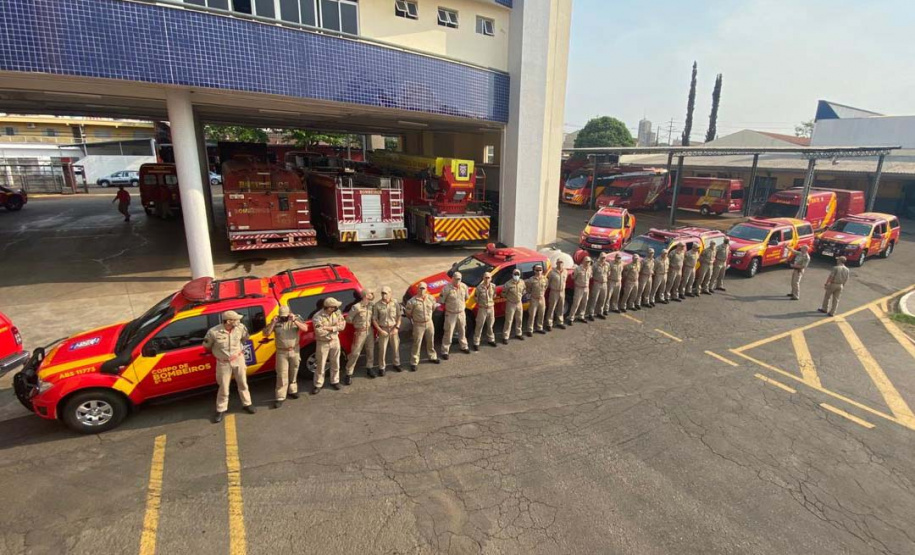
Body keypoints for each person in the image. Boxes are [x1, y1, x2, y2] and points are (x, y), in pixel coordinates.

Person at [203, 310, 255, 423]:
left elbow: (245, 338)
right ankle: (221, 409)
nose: (238, 321)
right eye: (236, 319)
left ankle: (247, 404)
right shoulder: (213, 332)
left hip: (238, 359)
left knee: (243, 383)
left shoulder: (240, 328)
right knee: (224, 387)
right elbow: (207, 346)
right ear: (228, 321)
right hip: (223, 363)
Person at [263, 305, 308, 409]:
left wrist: (294, 320)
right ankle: (280, 396)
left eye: (285, 316)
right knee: (282, 374)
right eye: (282, 316)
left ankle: (293, 390)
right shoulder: (276, 321)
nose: (283, 318)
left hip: (294, 350)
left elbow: (305, 328)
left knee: (294, 370)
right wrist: (273, 323)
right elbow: (266, 333)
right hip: (281, 352)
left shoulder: (296, 319)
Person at [312, 297, 346, 394]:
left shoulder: (337, 313)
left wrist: (329, 328)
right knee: (320, 364)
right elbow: (319, 332)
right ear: (329, 307)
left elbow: (342, 326)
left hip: (335, 340)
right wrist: (335, 328)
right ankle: (318, 384)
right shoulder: (317, 316)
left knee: (335, 362)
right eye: (334, 307)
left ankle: (335, 381)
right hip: (323, 342)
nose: (336, 308)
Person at [405, 282, 439, 371]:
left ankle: (432, 356)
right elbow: (408, 314)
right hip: (418, 324)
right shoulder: (412, 301)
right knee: (417, 343)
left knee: (430, 340)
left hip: (429, 322)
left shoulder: (431, 298)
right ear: (417, 289)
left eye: (424, 288)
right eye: (420, 288)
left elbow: (433, 308)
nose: (422, 290)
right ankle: (414, 361)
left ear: (426, 289)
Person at [344, 289, 375, 384]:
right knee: (355, 352)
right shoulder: (356, 307)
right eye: (370, 293)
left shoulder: (371, 305)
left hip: (369, 331)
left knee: (370, 350)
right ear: (365, 295)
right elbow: (348, 319)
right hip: (360, 332)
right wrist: (357, 324)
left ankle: (369, 367)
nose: (372, 295)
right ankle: (348, 373)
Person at [372, 286, 402, 376]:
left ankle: (396, 364)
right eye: (382, 293)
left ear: (390, 293)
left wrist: (397, 327)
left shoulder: (395, 303)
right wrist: (380, 330)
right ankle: (382, 367)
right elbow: (374, 319)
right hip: (383, 329)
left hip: (393, 328)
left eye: (385, 293)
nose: (383, 295)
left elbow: (399, 316)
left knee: (396, 347)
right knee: (382, 349)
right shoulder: (377, 305)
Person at [439, 273, 470, 359]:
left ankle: (464, 346)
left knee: (462, 330)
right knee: (448, 332)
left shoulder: (464, 287)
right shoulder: (446, 289)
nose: (457, 281)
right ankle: (445, 351)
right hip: (451, 314)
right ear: (452, 278)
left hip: (461, 313)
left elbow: (466, 297)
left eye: (459, 279)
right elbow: (442, 301)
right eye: (456, 279)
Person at [472, 273, 497, 349]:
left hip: (491, 308)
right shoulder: (479, 288)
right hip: (482, 309)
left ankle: (491, 340)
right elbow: (476, 298)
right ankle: (476, 342)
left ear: (491, 278)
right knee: (479, 326)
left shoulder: (493, 286)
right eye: (485, 277)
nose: (487, 279)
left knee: (490, 325)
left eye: (488, 278)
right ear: (483, 278)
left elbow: (494, 296)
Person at [501, 268, 526, 343]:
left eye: (517, 274)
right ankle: (505, 336)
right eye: (515, 274)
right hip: (511, 303)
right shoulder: (508, 284)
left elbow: (524, 291)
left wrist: (520, 296)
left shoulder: (522, 282)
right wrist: (509, 298)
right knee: (509, 320)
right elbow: (503, 294)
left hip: (519, 303)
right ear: (512, 275)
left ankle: (519, 333)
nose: (516, 275)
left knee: (519, 319)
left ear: (520, 275)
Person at [525, 264, 549, 334]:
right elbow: (528, 289)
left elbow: (546, 287)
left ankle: (539, 328)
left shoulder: (545, 279)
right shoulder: (531, 280)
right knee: (532, 315)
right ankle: (530, 330)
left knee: (541, 314)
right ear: (534, 271)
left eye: (540, 270)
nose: (539, 272)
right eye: (537, 270)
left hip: (542, 299)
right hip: (534, 299)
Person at [568, 257, 592, 324]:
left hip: (586, 288)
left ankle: (581, 316)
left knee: (584, 303)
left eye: (589, 262)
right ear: (583, 261)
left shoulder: (590, 268)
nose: (587, 263)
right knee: (576, 303)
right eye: (586, 261)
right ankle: (571, 318)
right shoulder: (578, 269)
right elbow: (573, 277)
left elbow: (590, 277)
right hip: (579, 288)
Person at [545, 260, 567, 330]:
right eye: (559, 263)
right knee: (552, 308)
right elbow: (548, 282)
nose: (560, 264)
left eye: (561, 263)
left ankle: (560, 322)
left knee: (561, 307)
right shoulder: (552, 272)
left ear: (563, 264)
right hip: (554, 292)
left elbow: (565, 281)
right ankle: (549, 323)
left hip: (562, 291)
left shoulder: (565, 271)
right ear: (556, 263)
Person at [587, 253, 609, 320]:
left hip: (604, 284)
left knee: (603, 299)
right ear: (600, 257)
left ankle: (600, 312)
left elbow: (608, 273)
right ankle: (591, 313)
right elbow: (591, 273)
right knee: (594, 299)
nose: (603, 259)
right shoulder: (595, 265)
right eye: (602, 257)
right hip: (597, 283)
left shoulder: (607, 265)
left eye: (604, 257)